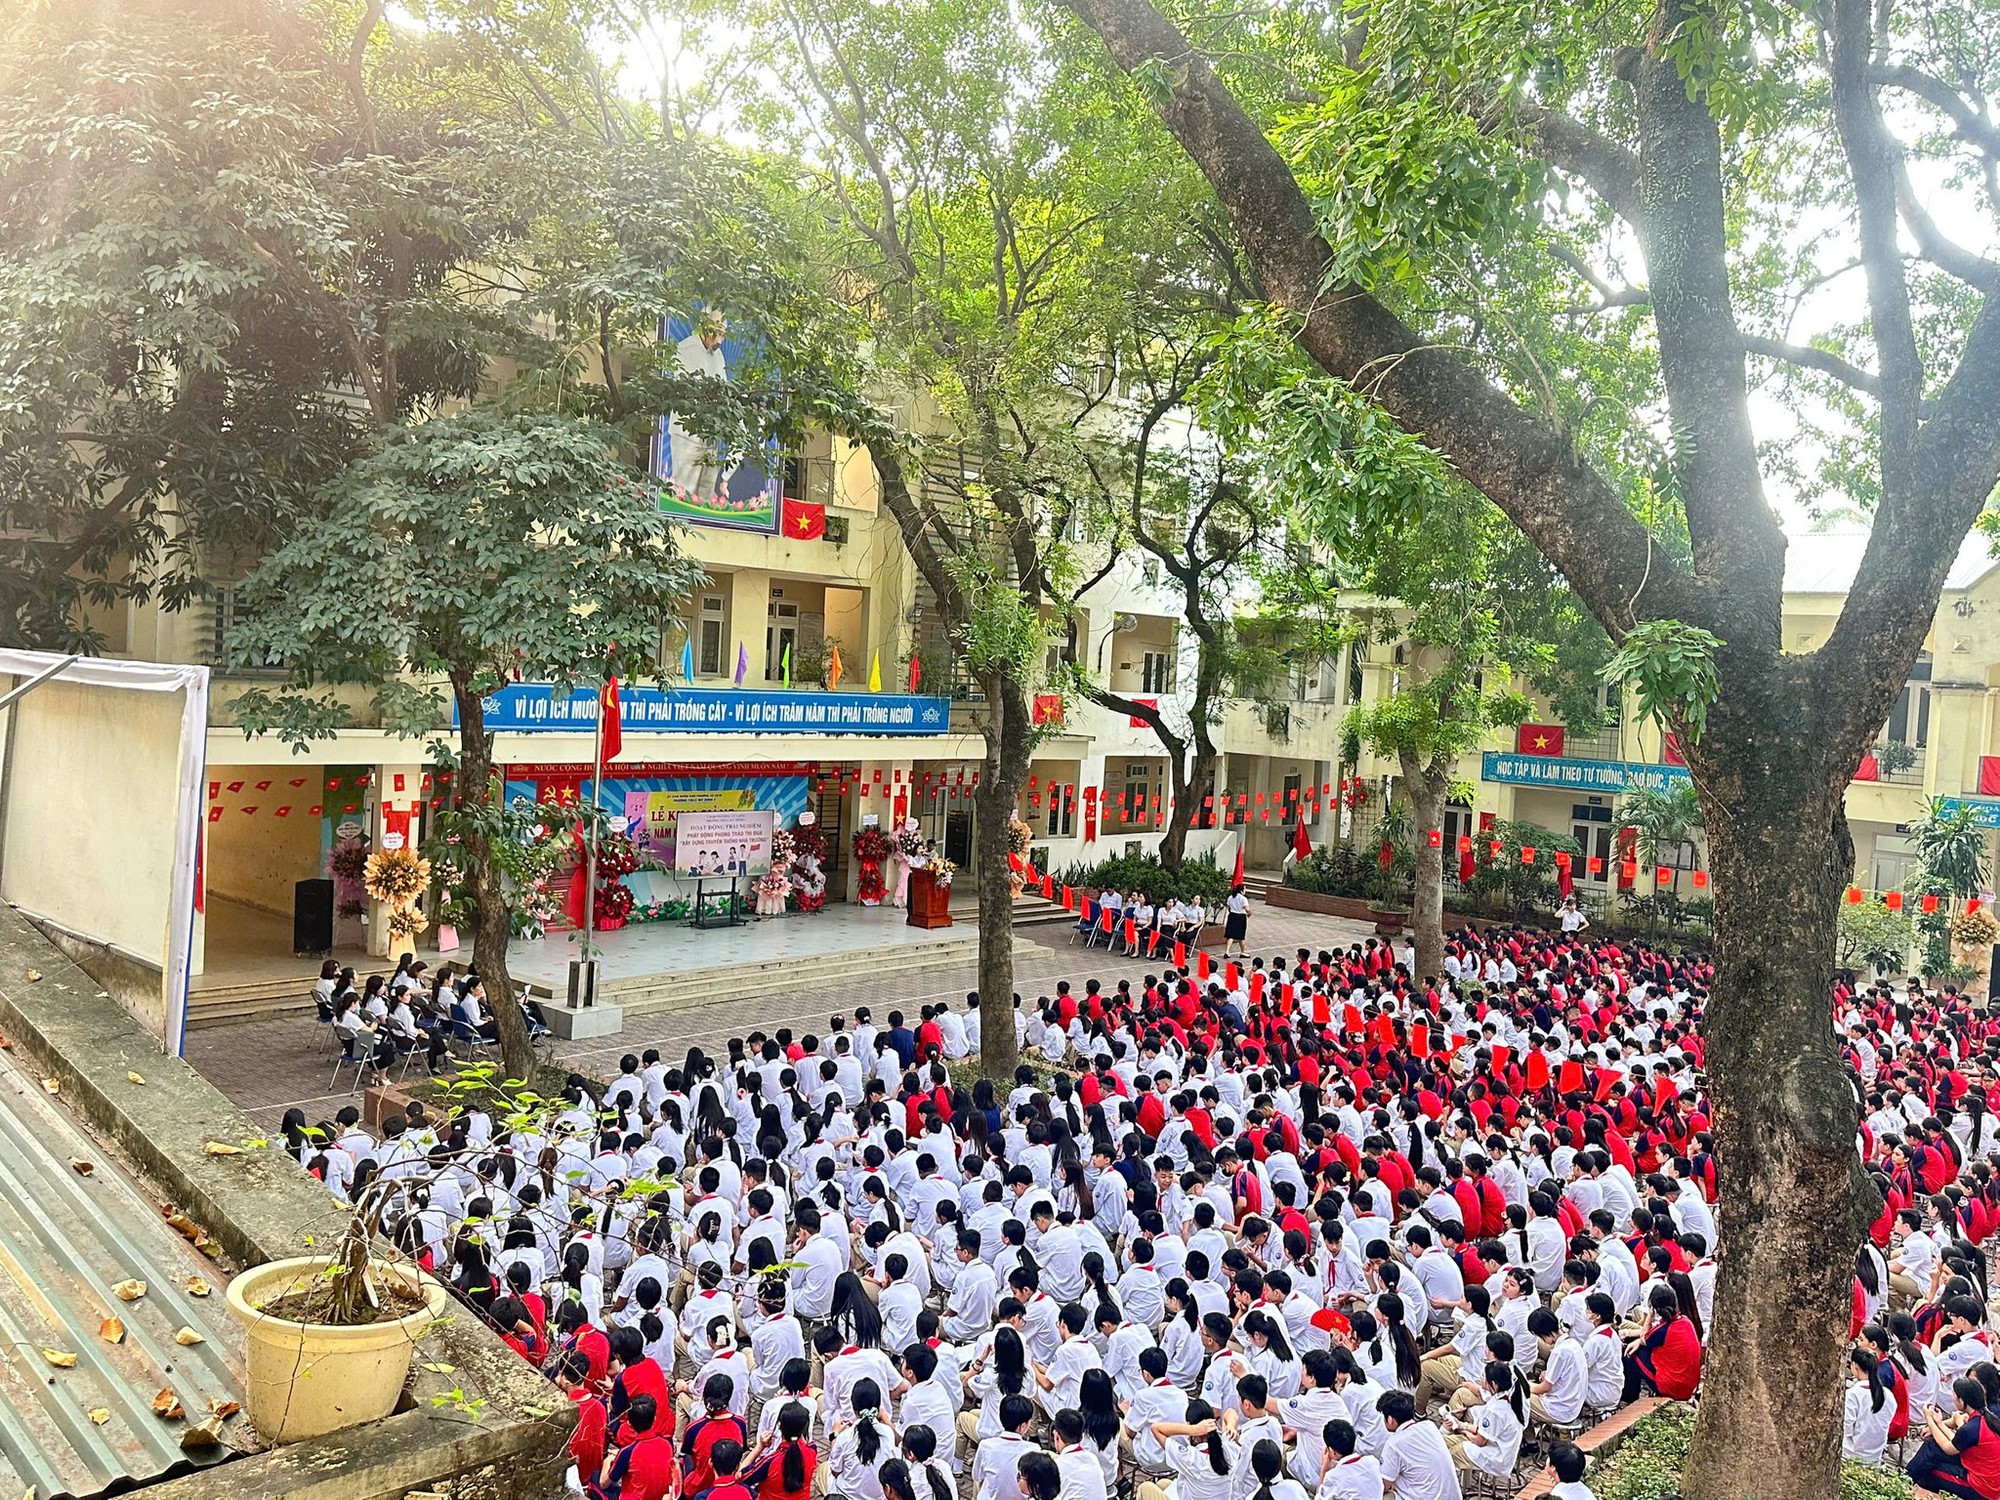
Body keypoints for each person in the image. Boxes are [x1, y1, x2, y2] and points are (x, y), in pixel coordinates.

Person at [1843, 1347, 1894, 1468]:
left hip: (1851, 1457)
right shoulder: (1888, 1395)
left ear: (1855, 1366)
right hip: (1875, 1457)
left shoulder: (1852, 1395)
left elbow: (1846, 1429)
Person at [1223, 885, 1251, 960]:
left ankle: (1227, 951)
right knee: (1241, 935)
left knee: (1231, 935)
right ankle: (1242, 952)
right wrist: (1249, 914)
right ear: (1241, 891)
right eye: (1244, 889)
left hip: (1232, 916)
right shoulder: (1243, 899)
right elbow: (1247, 909)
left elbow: (1229, 908)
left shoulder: (1230, 897)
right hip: (1240, 917)